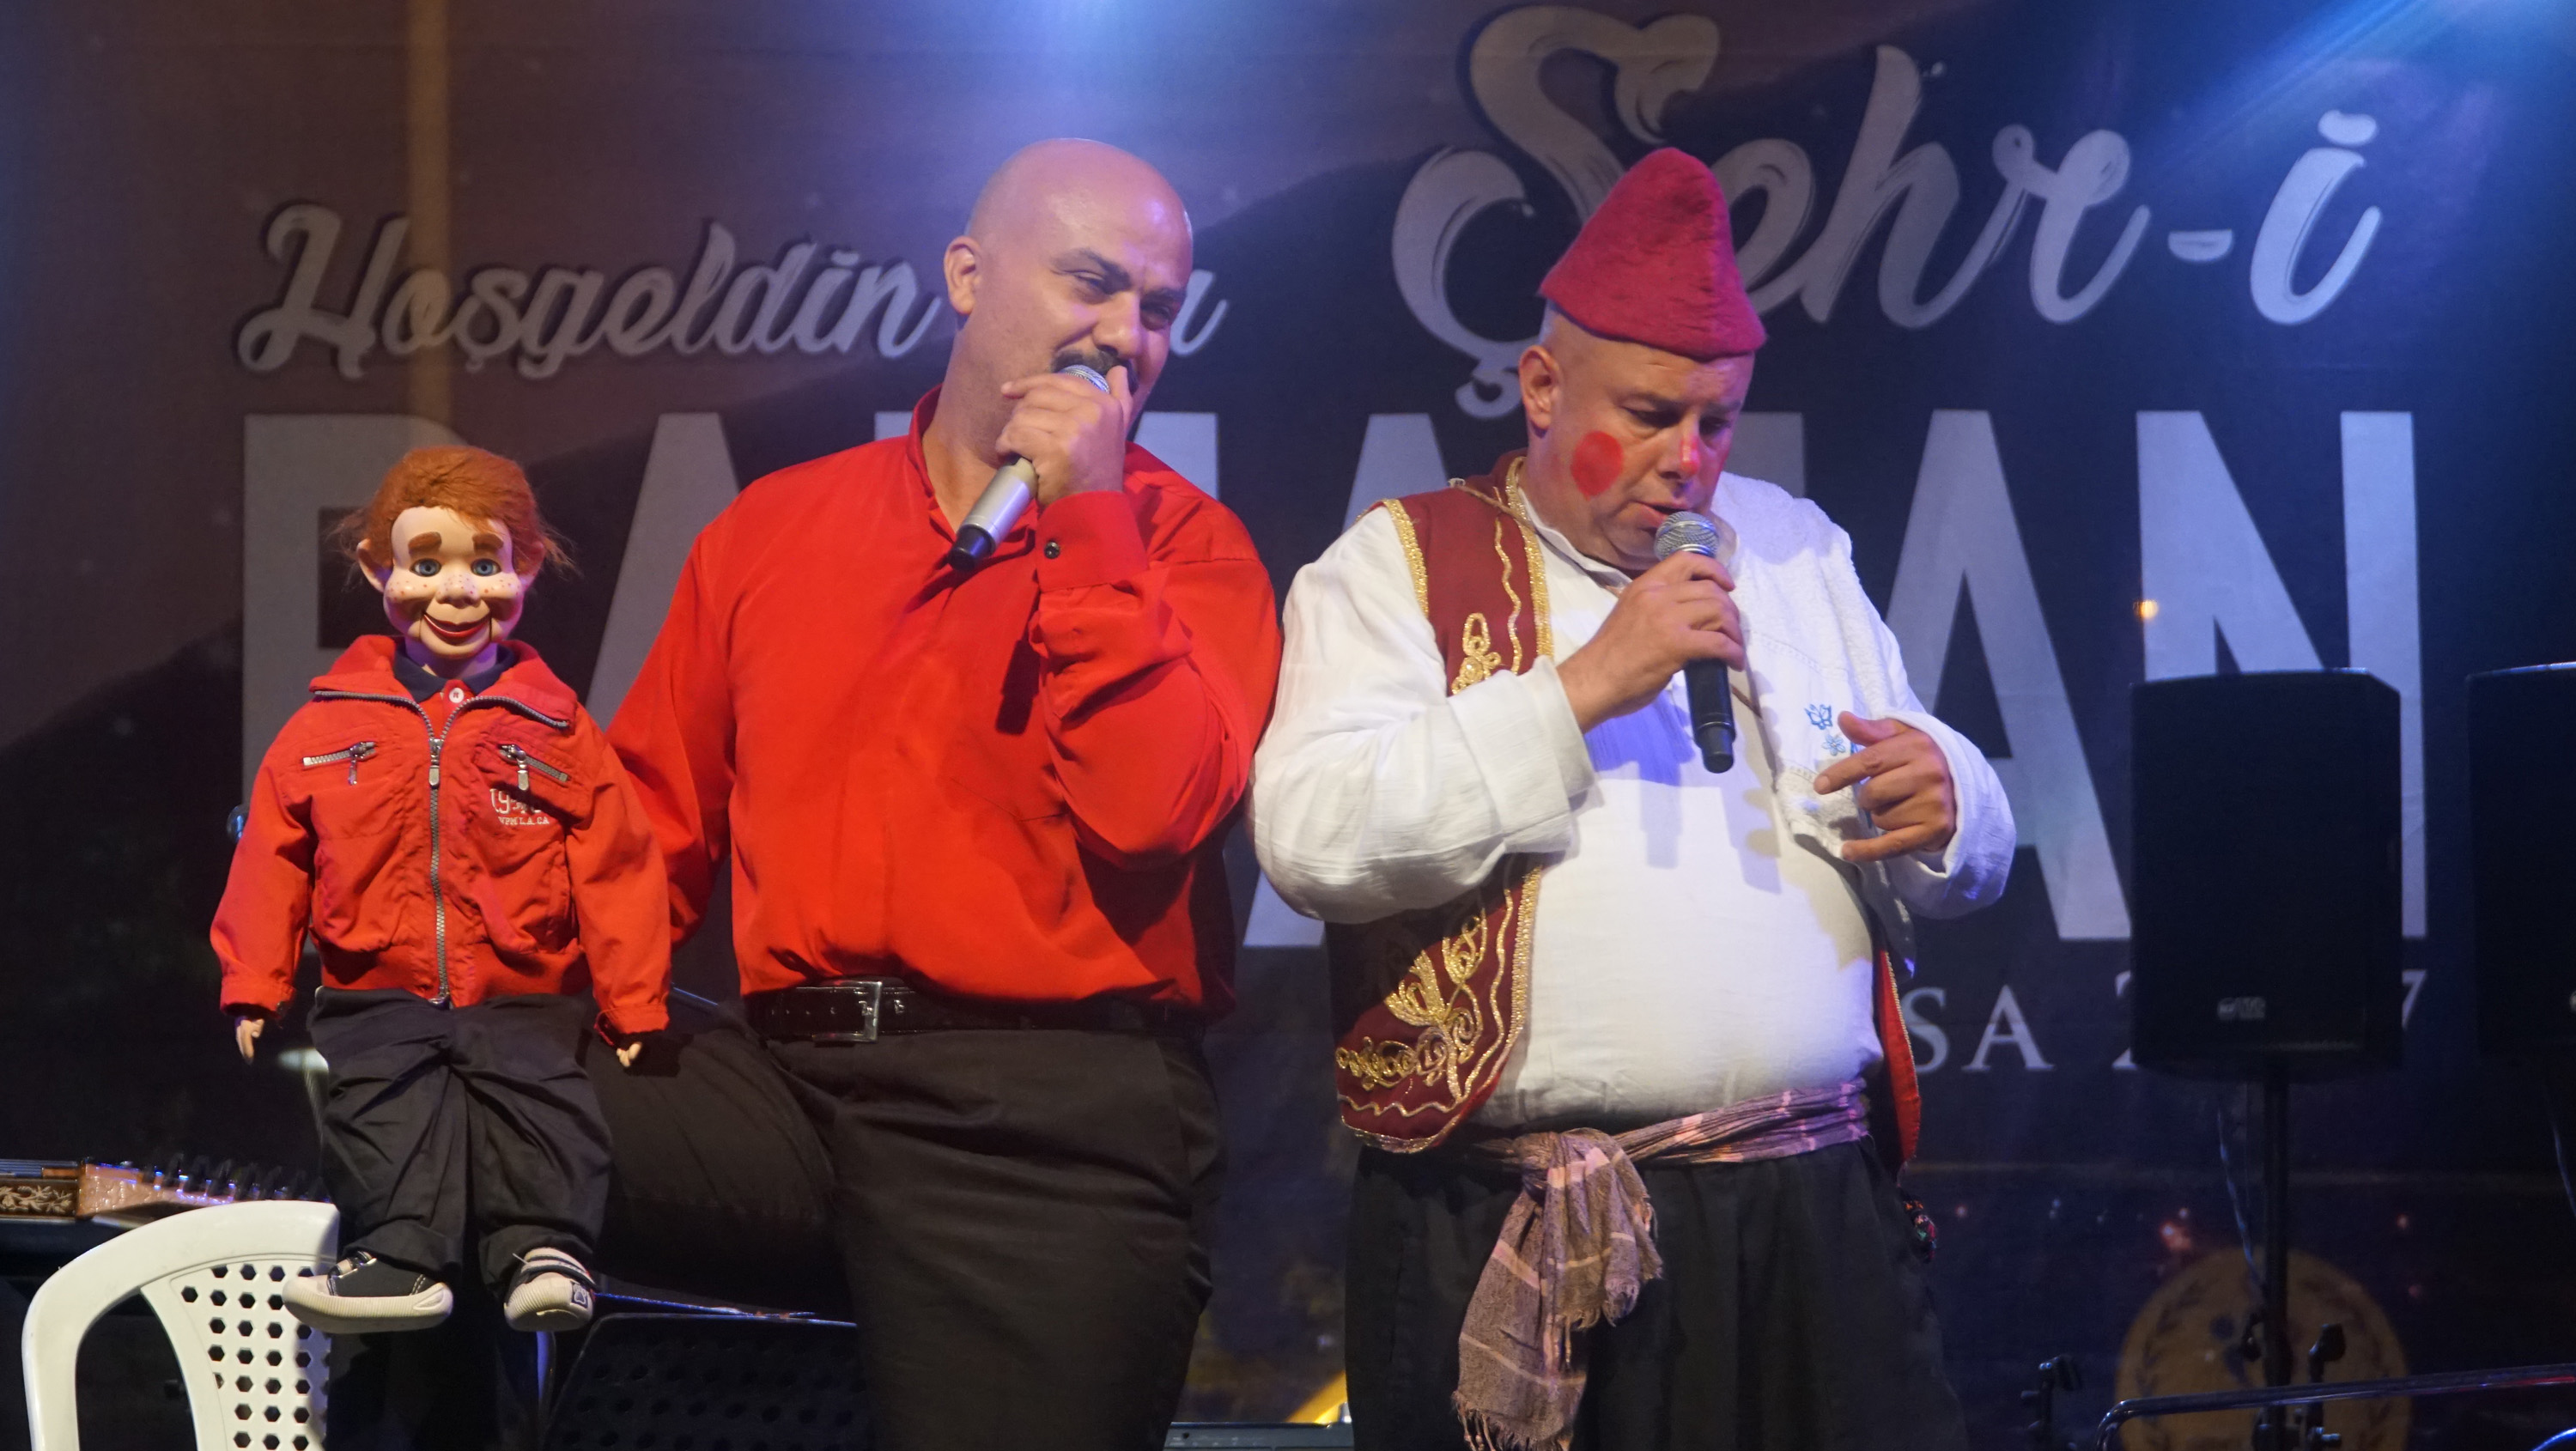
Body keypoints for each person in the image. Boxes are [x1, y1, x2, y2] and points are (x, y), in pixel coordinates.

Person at [1252, 149, 2016, 1451]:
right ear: (1542, 386)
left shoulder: (1793, 545)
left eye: (1717, 421)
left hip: (1814, 1217)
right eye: (1651, 414)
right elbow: (1311, 836)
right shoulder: (1403, 561)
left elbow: (1940, 833)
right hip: (1523, 1212)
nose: (1686, 462)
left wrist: (1954, 797)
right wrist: (1585, 686)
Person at [607, 138, 1281, 1449]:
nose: (1125, 335)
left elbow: (1153, 811)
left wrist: (1091, 519)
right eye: (1091, 282)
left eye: (1157, 309)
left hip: (1043, 1124)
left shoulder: (1187, 547)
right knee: (465, 1064)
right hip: (786, 1087)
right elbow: (643, 832)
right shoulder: (772, 531)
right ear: (967, 276)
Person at [213, 445, 670, 1337]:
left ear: (526, 566)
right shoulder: (325, 724)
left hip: (521, 984)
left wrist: (634, 1001)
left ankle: (544, 1249)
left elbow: (616, 864)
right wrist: (254, 980)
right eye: (425, 565)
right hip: (375, 983)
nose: (457, 591)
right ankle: (398, 1256)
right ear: (377, 567)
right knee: (380, 1111)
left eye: (485, 563)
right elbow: (274, 856)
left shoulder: (556, 726)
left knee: (538, 1106)